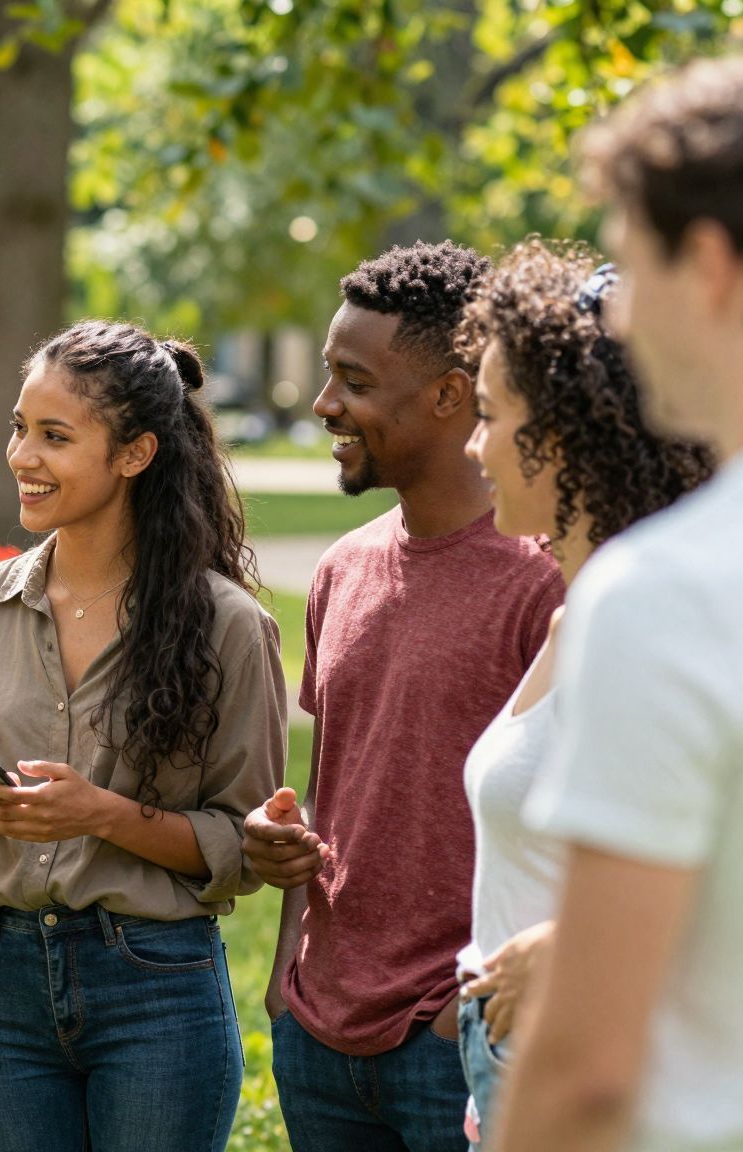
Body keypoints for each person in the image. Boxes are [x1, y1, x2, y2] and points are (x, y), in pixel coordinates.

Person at [495, 55, 743, 1152]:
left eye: (634, 269)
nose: (618, 320)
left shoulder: (666, 595)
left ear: (712, 266)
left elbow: (588, 1071)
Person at [0, 320, 285, 1152]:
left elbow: (246, 844)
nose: (22, 456)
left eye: (54, 436)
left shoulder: (228, 625)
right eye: (19, 428)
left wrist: (99, 815)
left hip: (156, 985)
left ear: (135, 453)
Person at [242, 242, 565, 1152]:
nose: (324, 405)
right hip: (316, 1032)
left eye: (354, 380)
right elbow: (338, 785)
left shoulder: (546, 581)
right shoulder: (342, 568)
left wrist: (451, 1015)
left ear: (449, 395)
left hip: (452, 1037)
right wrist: (286, 966)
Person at [448, 239, 712, 1144]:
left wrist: (565, 951)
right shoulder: (578, 615)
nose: (472, 445)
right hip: (512, 1071)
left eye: (488, 415)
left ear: (564, 434)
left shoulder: (665, 623)